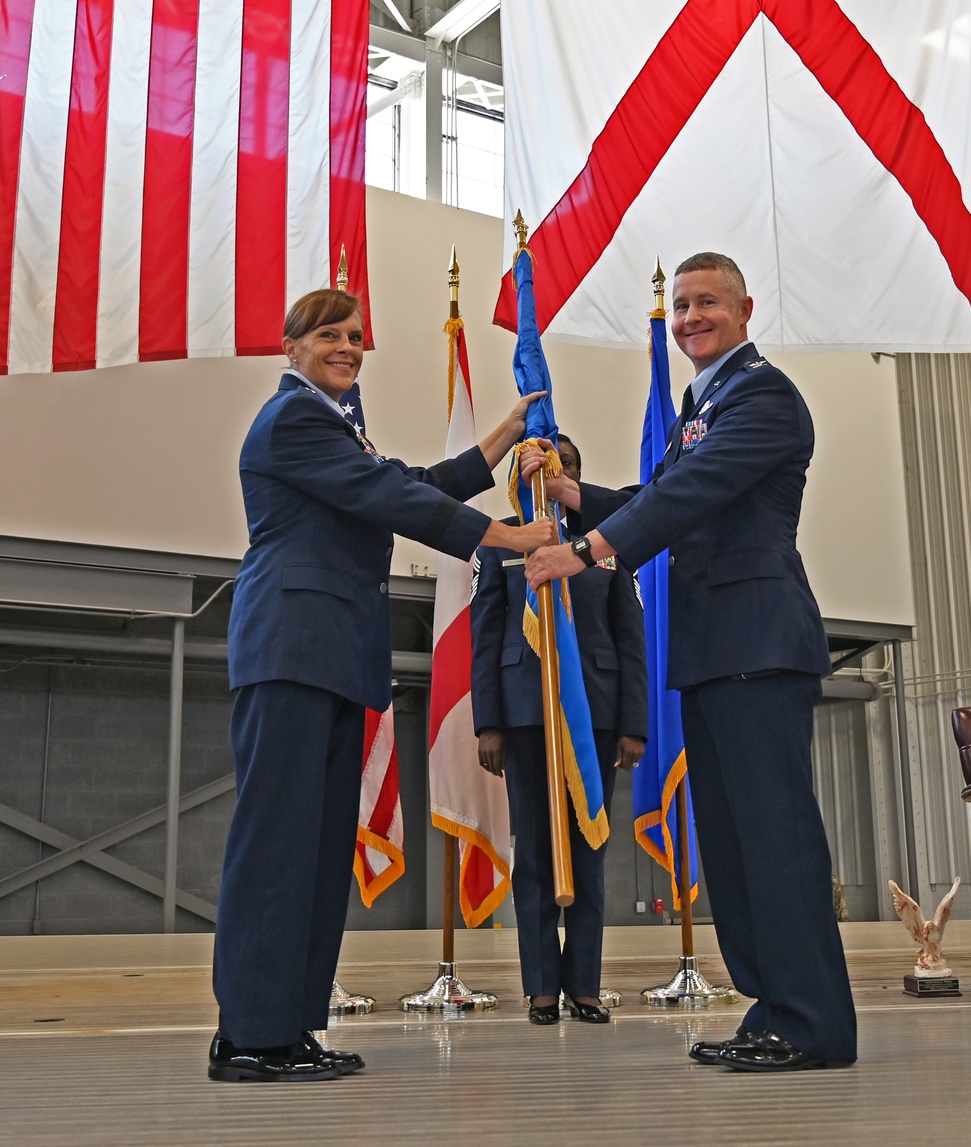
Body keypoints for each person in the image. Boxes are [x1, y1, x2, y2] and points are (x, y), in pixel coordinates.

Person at [210, 288, 555, 1083]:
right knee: (277, 849)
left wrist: (501, 435)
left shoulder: (337, 428)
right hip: (292, 648)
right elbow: (390, 497)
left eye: (357, 336)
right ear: (290, 345)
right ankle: (249, 1035)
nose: (348, 347)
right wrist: (501, 534)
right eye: (330, 334)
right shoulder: (295, 418)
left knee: (320, 853)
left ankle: (289, 1026)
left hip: (330, 654)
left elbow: (414, 479)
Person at [523, 254, 857, 1072]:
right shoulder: (698, 403)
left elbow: (692, 492)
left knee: (774, 839)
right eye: (680, 305)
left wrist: (591, 549)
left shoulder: (764, 395)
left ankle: (814, 1020)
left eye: (707, 302)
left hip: (758, 641)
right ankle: (774, 1006)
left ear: (745, 308)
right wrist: (575, 500)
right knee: (736, 846)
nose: (689, 318)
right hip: (712, 650)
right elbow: (658, 491)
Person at [470, 434, 647, 1025]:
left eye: (566, 465)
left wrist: (633, 725)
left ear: (577, 473)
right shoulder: (500, 540)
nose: (553, 473)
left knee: (590, 848)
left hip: (594, 713)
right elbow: (486, 635)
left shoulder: (608, 539)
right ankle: (542, 987)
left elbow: (630, 638)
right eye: (543, 464)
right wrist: (488, 721)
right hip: (523, 714)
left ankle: (586, 987)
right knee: (537, 857)